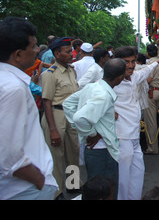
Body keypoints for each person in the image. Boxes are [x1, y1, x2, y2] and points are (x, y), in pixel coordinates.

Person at [0, 17, 58, 200]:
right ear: (18, 55)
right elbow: (9, 156)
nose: (36, 52)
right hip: (25, 189)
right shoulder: (13, 88)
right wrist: (39, 179)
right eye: (33, 47)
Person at [63, 58, 126, 199]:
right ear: (120, 77)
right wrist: (92, 133)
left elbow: (68, 104)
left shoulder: (93, 86)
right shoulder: (103, 95)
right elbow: (80, 118)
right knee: (105, 193)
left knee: (94, 192)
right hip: (103, 152)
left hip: (95, 151)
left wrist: (86, 131)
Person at [112, 46, 159, 200]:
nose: (130, 65)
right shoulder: (110, 83)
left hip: (135, 137)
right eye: (126, 62)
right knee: (123, 180)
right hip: (122, 138)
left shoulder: (134, 77)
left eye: (132, 61)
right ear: (117, 63)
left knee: (137, 175)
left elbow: (146, 70)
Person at [40, 36, 80, 199]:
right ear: (57, 54)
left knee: (73, 151)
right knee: (56, 156)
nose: (72, 54)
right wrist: (53, 129)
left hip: (71, 115)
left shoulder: (72, 70)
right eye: (68, 51)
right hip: (56, 115)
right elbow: (47, 102)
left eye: (71, 50)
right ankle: (57, 192)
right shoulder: (50, 74)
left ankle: (73, 185)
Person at [143, 44, 159, 155]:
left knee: (150, 122)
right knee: (153, 121)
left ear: (148, 53)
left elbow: (148, 79)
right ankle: (153, 144)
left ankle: (152, 148)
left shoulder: (151, 64)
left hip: (151, 93)